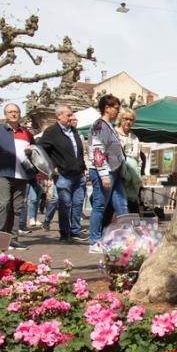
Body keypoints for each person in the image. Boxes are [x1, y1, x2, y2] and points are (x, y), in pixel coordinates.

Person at [0, 103, 34, 250]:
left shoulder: (27, 133)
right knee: (3, 204)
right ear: (5, 115)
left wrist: (31, 151)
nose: (13, 114)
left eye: (16, 111)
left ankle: (12, 238)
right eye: (10, 112)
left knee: (17, 208)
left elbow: (35, 151)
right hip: (4, 174)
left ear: (20, 114)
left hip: (22, 175)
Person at [37, 105, 87, 241]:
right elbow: (40, 150)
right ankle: (65, 233)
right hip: (63, 175)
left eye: (72, 115)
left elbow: (78, 152)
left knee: (77, 204)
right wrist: (51, 168)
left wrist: (83, 168)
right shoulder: (52, 131)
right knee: (65, 205)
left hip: (78, 175)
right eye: (69, 115)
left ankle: (75, 231)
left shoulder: (74, 131)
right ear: (59, 116)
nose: (72, 117)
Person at [87, 94, 129, 250]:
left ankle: (126, 237)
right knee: (99, 206)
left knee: (122, 205)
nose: (118, 112)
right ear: (107, 108)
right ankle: (94, 241)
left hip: (116, 171)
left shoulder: (109, 126)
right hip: (105, 172)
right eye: (116, 108)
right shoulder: (99, 126)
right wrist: (104, 174)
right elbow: (98, 151)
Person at [116, 107, 143, 216]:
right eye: (126, 118)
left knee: (133, 207)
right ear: (120, 119)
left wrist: (138, 171)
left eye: (131, 119)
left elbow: (138, 158)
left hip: (132, 177)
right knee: (117, 207)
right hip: (117, 176)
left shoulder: (134, 138)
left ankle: (134, 231)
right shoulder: (114, 134)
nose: (128, 122)